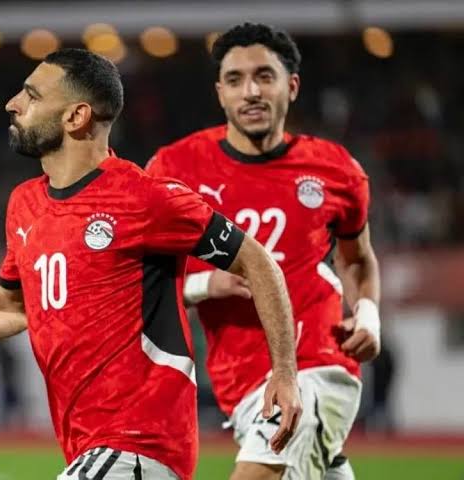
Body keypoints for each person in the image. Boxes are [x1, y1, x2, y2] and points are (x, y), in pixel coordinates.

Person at [0, 48, 302, 480]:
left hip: (139, 444)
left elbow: (258, 263)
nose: (12, 104)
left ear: (76, 117)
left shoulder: (146, 199)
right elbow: (17, 306)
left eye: (32, 95)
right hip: (88, 449)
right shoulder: (24, 204)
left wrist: (284, 373)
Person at [146, 23, 381, 480]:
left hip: (318, 365)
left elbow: (356, 257)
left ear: (291, 86)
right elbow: (140, 274)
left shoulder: (335, 170)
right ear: (220, 93)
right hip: (239, 380)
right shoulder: (174, 168)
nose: (250, 91)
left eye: (264, 76)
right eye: (235, 80)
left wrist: (368, 312)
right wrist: (204, 284)